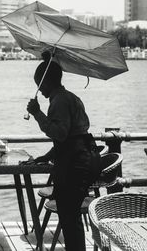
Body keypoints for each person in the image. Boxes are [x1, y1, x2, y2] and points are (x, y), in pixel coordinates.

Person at [26, 53, 102, 251]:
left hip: (75, 164)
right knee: (71, 217)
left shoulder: (59, 101)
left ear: (49, 81)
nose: (39, 88)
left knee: (69, 217)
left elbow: (60, 134)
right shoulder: (71, 98)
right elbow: (73, 136)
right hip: (84, 158)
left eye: (40, 83)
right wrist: (49, 156)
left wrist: (37, 114)